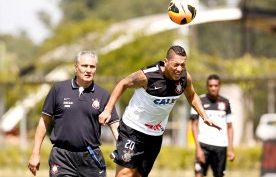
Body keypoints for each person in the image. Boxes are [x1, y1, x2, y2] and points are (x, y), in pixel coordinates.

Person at [98, 45, 221, 177]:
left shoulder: (185, 78)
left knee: (139, 175)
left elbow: (192, 95)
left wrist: (204, 116)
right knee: (125, 174)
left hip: (155, 135)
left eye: (183, 65)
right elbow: (123, 83)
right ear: (166, 61)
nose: (179, 69)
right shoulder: (147, 76)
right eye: (176, 65)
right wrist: (108, 110)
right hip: (133, 129)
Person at [28, 51, 119, 177]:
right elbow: (44, 121)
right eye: (84, 66)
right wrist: (35, 153)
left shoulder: (103, 95)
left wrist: (124, 151)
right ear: (76, 67)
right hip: (62, 158)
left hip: (91, 158)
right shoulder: (58, 89)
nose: (88, 70)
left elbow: (115, 126)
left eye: (92, 67)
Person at [190, 74, 235, 177]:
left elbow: (230, 127)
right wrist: (198, 149)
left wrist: (231, 150)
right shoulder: (198, 101)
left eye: (215, 85)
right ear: (207, 86)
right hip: (204, 145)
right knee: (199, 175)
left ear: (219, 86)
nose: (213, 88)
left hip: (220, 146)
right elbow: (194, 126)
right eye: (210, 85)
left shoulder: (226, 102)